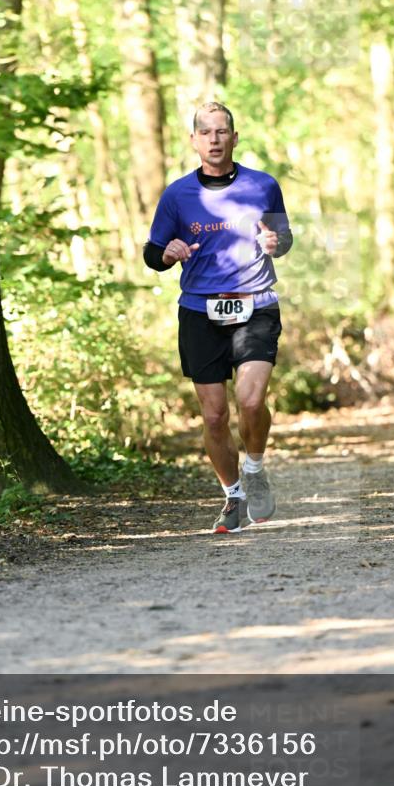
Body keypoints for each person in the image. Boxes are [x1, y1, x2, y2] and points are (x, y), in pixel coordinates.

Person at [143, 101, 293, 533]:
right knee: (213, 417)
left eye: (222, 131)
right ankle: (232, 497)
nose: (214, 139)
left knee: (250, 401)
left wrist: (275, 242)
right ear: (193, 140)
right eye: (205, 132)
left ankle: (256, 467)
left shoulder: (263, 186)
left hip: (255, 304)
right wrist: (166, 254)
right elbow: (154, 252)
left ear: (234, 137)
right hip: (199, 312)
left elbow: (283, 237)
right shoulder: (176, 195)